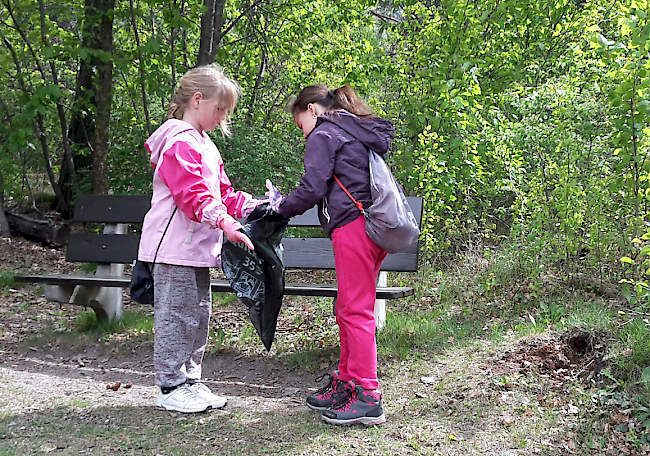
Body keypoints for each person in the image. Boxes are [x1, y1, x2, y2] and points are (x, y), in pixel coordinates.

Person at [137, 64, 261, 413]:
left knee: (198, 315)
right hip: (173, 248)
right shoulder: (178, 142)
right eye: (220, 109)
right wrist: (224, 221)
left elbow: (222, 193)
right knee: (176, 316)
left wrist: (257, 207)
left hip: (197, 249)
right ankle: (170, 386)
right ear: (197, 100)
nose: (223, 117)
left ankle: (190, 380)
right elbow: (192, 197)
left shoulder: (205, 145)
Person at [275, 84, 394, 426]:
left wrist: (280, 210)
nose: (302, 134)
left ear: (311, 109)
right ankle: (346, 383)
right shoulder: (351, 130)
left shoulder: (325, 134)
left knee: (354, 311)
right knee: (347, 307)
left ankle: (368, 396)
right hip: (372, 227)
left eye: (299, 125)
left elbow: (311, 188)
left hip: (353, 227)